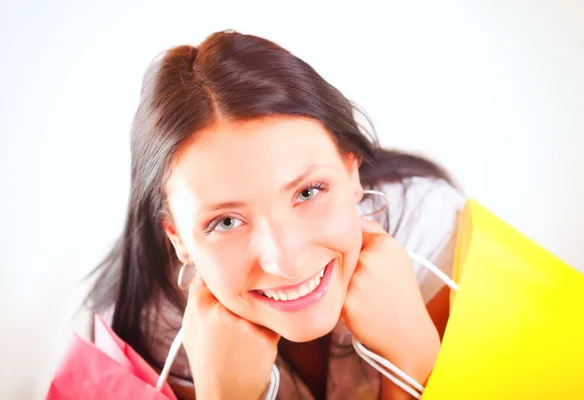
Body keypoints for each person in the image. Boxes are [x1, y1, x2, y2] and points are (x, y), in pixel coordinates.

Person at [86, 30, 466, 400]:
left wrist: (412, 357)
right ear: (179, 239)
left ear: (352, 172)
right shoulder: (151, 329)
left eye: (308, 192)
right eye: (226, 221)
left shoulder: (428, 228)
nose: (287, 261)